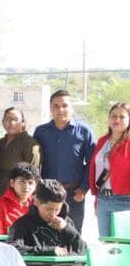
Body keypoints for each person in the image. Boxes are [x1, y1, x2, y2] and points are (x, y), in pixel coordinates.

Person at [33, 90, 96, 233]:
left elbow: (92, 161)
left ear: (71, 108)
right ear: (50, 109)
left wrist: (84, 188)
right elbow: (35, 163)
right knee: (45, 233)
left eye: (64, 105)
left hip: (74, 193)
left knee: (72, 233)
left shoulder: (84, 131)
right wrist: (37, 189)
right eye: (55, 106)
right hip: (47, 194)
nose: (60, 109)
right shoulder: (41, 131)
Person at [89, 101, 130, 237]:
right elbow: (97, 171)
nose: (117, 119)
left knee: (125, 248)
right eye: (113, 116)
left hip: (125, 201)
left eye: (122, 117)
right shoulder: (102, 141)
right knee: (107, 246)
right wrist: (96, 199)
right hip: (103, 200)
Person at [0, 107, 41, 199]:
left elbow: (33, 173)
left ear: (23, 123)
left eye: (15, 119)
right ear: (2, 122)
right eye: (8, 119)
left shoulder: (30, 143)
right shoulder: (1, 142)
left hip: (16, 195)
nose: (11, 123)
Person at [0, 163, 38, 235]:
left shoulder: (38, 204)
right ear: (12, 183)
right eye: (22, 181)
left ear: (36, 185)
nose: (26, 187)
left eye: (30, 183)